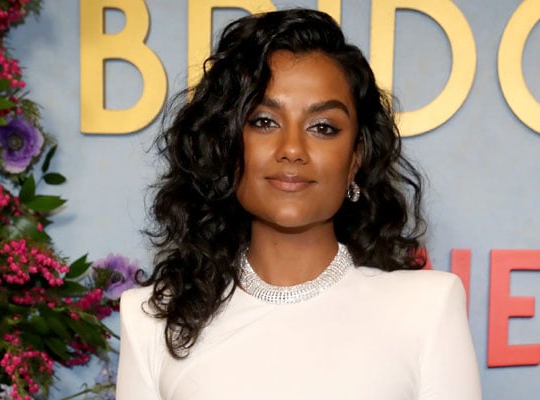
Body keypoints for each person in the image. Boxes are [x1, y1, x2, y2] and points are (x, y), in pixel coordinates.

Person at [116, 8, 481, 400]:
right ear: (226, 144)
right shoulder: (152, 319)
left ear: (355, 158)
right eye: (264, 121)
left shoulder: (426, 309)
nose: (292, 149)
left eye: (323, 127)